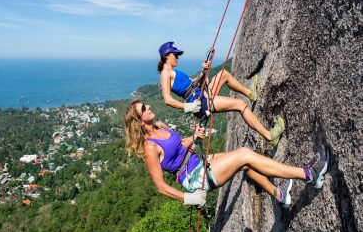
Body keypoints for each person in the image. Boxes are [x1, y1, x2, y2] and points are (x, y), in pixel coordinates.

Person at [124, 100, 329, 208]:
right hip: (194, 178)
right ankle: (309, 175)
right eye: (144, 108)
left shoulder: (160, 126)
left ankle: (280, 195)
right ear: (139, 120)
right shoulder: (150, 147)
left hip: (198, 162)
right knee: (244, 155)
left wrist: (194, 137)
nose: (149, 106)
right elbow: (160, 187)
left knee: (247, 165)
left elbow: (178, 145)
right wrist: (190, 199)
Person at [158, 41, 285, 146]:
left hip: (200, 95)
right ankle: (269, 136)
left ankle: (250, 93)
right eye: (175, 55)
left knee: (223, 74)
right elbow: (167, 100)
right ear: (167, 55)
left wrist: (202, 72)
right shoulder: (165, 73)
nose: (177, 57)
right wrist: (187, 107)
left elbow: (192, 84)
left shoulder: (172, 71)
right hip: (198, 102)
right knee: (240, 104)